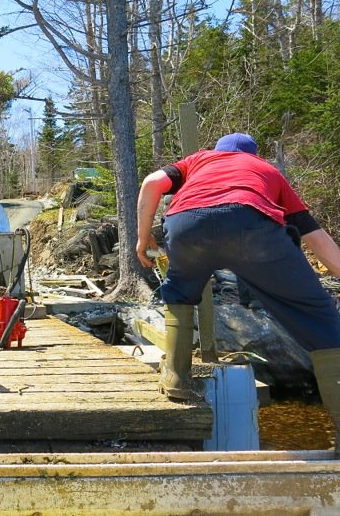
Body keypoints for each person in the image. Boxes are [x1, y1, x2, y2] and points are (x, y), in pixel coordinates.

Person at [136, 132, 340, 449]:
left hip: (187, 225)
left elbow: (151, 183)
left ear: (217, 151)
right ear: (254, 156)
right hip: (251, 227)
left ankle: (176, 378)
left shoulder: (197, 161)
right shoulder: (267, 172)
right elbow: (316, 238)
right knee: (321, 319)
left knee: (179, 291)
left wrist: (142, 235)